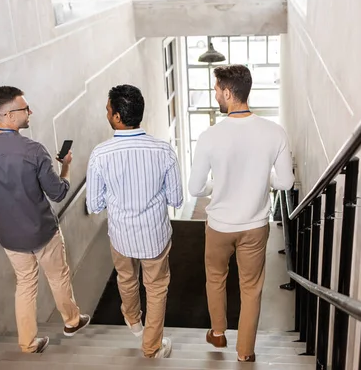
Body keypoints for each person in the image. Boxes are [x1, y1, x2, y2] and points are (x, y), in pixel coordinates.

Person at [0, 86, 89, 354]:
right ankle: (71, 321)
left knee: (25, 284)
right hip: (43, 231)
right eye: (25, 108)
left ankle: (28, 343)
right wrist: (66, 166)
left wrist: (3, 198)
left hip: (9, 236)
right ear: (9, 115)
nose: (30, 112)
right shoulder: (33, 150)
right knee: (58, 277)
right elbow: (58, 192)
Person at [188, 65, 294, 362]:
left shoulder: (210, 136)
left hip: (219, 226)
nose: (215, 96)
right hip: (255, 227)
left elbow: (196, 188)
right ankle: (245, 352)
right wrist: (264, 179)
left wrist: (217, 183)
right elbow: (285, 182)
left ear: (227, 92)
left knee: (215, 278)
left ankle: (218, 332)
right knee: (251, 289)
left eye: (216, 91)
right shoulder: (274, 132)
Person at [86, 84, 183, 359]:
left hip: (121, 236)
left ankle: (133, 321)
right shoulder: (163, 150)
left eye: (107, 109)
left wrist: (118, 197)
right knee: (156, 288)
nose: (106, 112)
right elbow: (176, 199)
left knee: (126, 278)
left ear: (117, 117)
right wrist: (153, 194)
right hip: (155, 236)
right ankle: (151, 347)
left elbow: (94, 205)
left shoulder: (100, 154)